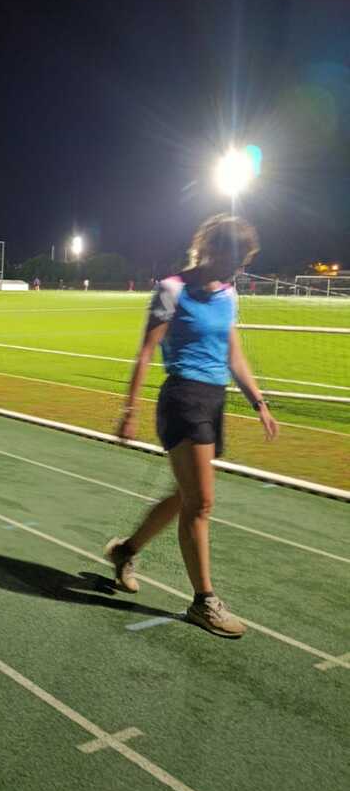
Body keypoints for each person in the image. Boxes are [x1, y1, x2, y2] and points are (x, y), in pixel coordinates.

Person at [105, 214, 278, 638]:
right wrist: (129, 410)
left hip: (213, 400)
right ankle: (204, 602)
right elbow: (146, 351)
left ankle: (126, 550)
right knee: (200, 503)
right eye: (234, 259)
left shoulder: (229, 294)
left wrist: (259, 401)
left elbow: (233, 354)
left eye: (242, 263)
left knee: (185, 495)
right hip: (182, 398)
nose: (237, 269)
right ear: (211, 250)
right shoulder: (172, 289)